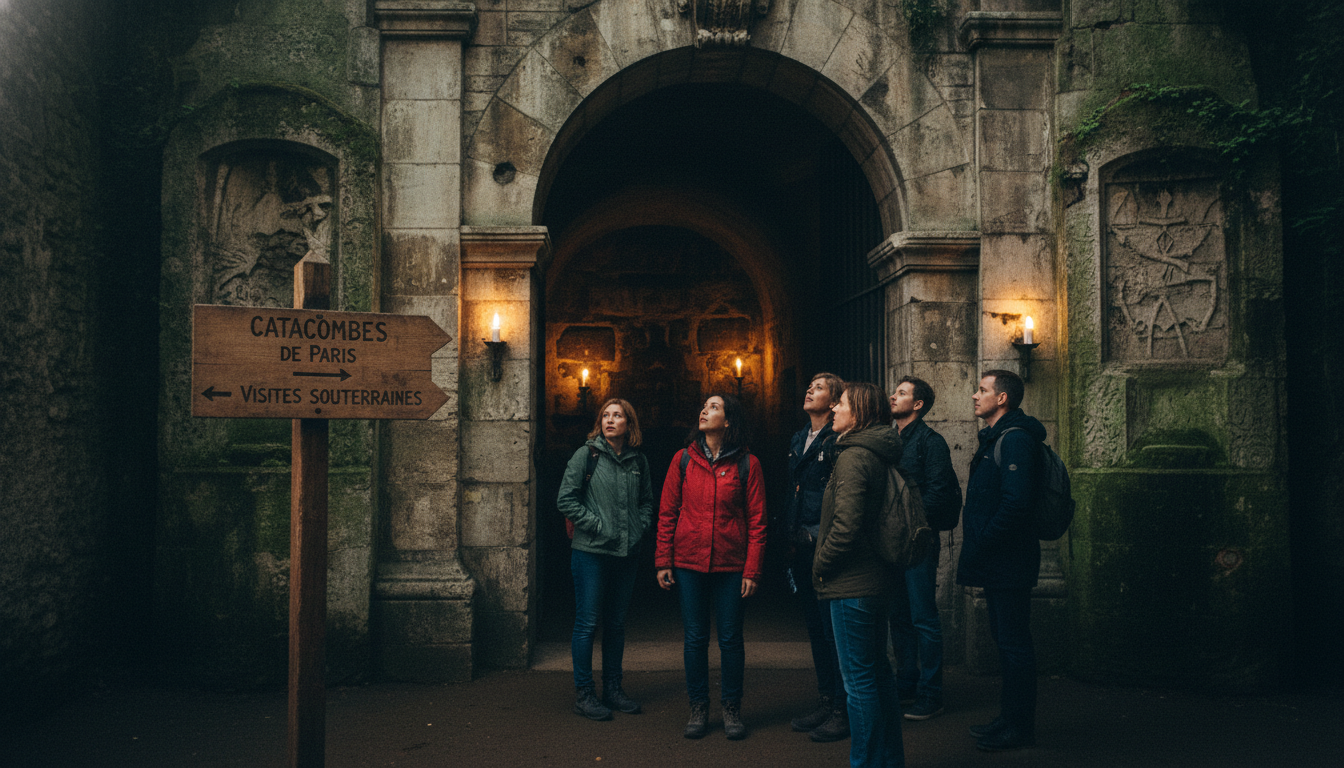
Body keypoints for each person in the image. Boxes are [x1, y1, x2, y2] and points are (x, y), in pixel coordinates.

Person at [656, 393, 767, 740]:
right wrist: (663, 560)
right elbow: (668, 512)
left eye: (714, 407)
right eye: (703, 405)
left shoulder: (748, 464)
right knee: (695, 638)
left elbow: (758, 521)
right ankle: (698, 707)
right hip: (689, 561)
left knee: (731, 640)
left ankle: (731, 708)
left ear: (729, 420)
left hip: (731, 565)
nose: (704, 410)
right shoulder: (683, 460)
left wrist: (753, 569)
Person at [813, 382, 906, 768]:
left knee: (858, 684)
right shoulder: (877, 452)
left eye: (843, 404)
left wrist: (821, 565)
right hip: (874, 581)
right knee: (878, 677)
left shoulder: (854, 457)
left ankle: (865, 762)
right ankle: (887, 760)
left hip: (852, 585)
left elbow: (846, 526)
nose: (834, 408)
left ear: (860, 413)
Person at [957, 369, 1044, 751]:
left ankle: (1019, 726)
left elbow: (1016, 504)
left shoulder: (1016, 440)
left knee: (1014, 645)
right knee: (1005, 641)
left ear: (1003, 398)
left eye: (983, 390)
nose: (976, 396)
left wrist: (983, 542)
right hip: (999, 561)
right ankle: (1009, 718)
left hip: (1009, 560)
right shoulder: (997, 436)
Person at [556, 398, 655, 722]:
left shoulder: (637, 460)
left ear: (629, 424)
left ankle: (613, 689)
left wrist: (639, 527)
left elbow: (646, 502)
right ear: (600, 423)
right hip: (591, 554)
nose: (610, 420)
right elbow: (565, 500)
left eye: (618, 416)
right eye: (606, 416)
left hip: (626, 555)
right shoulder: (587, 455)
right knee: (587, 624)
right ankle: (585, 694)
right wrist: (597, 525)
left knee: (615, 625)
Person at [888, 376, 962, 721]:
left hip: (917, 542)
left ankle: (931, 694)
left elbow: (939, 493)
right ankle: (906, 683)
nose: (893, 395)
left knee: (923, 617)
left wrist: (908, 521)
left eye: (901, 393)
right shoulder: (890, 439)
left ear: (917, 405)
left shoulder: (931, 442)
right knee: (899, 616)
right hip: (892, 543)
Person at [782, 372, 850, 742]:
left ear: (836, 399)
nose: (810, 389)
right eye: (809, 385)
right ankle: (827, 700)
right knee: (815, 628)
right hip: (799, 545)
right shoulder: (798, 438)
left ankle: (843, 707)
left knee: (831, 629)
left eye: (820, 387)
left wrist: (818, 533)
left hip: (822, 544)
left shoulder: (838, 440)